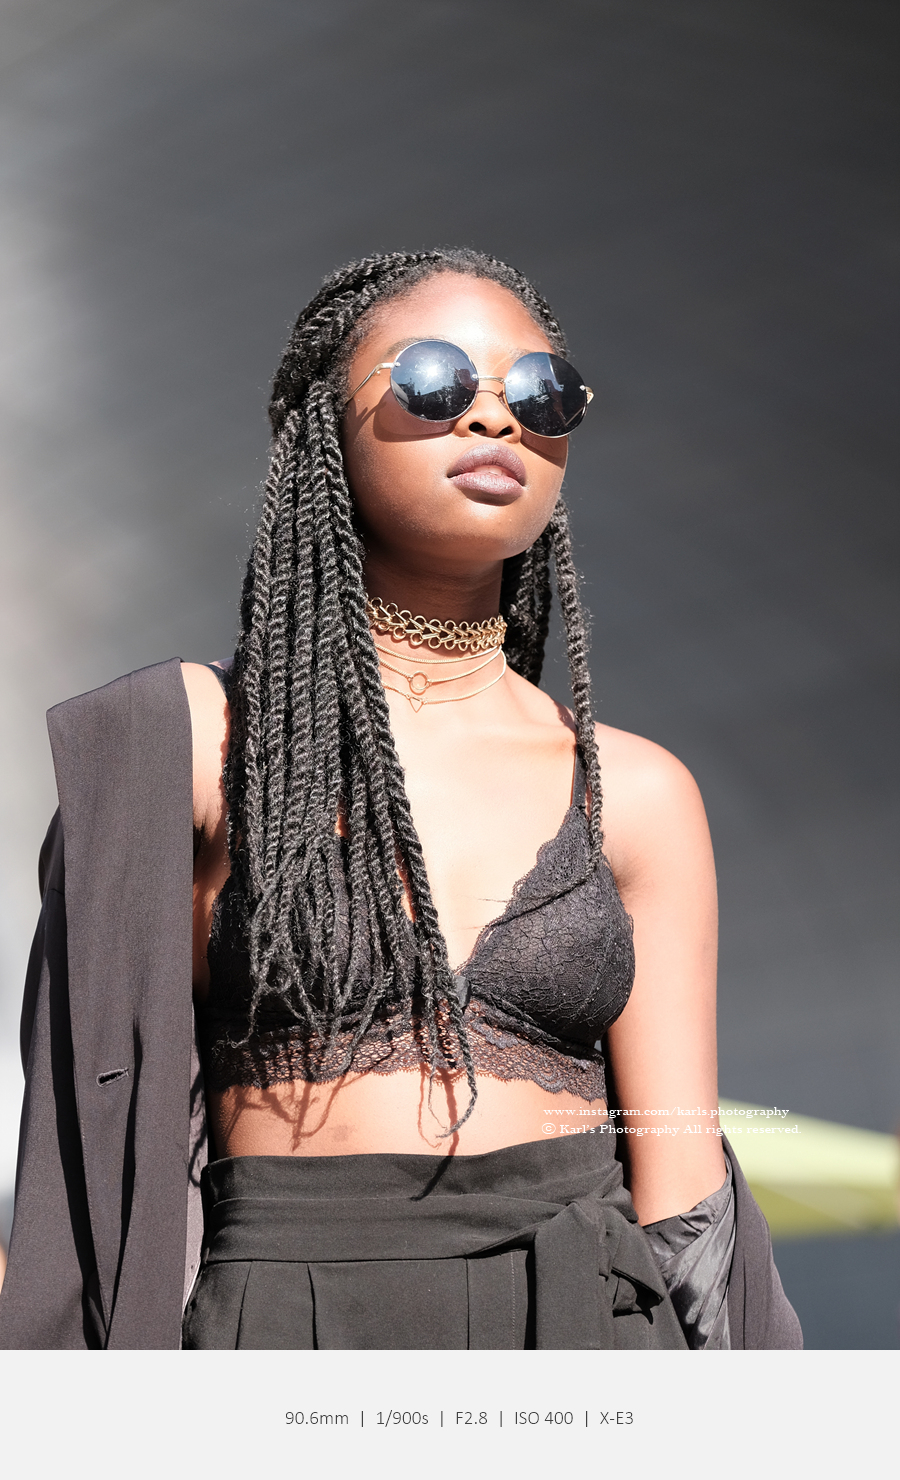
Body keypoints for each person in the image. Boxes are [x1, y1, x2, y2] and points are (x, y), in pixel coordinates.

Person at [0, 248, 801, 1350]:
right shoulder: (185, 742)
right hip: (284, 1335)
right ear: (324, 432)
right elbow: (83, 1143)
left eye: (541, 392)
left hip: (589, 1334)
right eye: (434, 380)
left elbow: (686, 1195)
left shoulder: (637, 790)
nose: (497, 419)